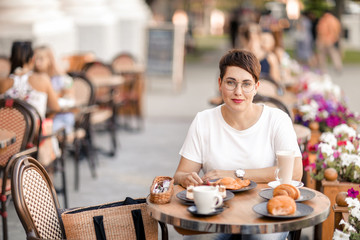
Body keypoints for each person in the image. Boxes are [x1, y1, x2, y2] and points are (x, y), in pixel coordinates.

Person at [174, 50, 302, 240]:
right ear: (220, 84)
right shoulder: (204, 120)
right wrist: (187, 179)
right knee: (198, 238)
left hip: (264, 211)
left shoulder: (277, 120)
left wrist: (235, 175)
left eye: (246, 84)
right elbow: (180, 174)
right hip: (217, 211)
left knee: (259, 238)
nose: (238, 92)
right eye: (231, 82)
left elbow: (293, 173)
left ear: (256, 87)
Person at [0, 41, 60, 119]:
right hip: (33, 129)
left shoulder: (2, 82)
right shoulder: (43, 79)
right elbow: (55, 108)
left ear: (11, 59)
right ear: (32, 59)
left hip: (7, 129)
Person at [33, 45, 75, 134]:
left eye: (41, 59)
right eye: (35, 59)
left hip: (60, 117)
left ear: (50, 60)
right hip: (41, 117)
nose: (37, 63)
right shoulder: (32, 79)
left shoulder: (62, 79)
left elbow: (70, 99)